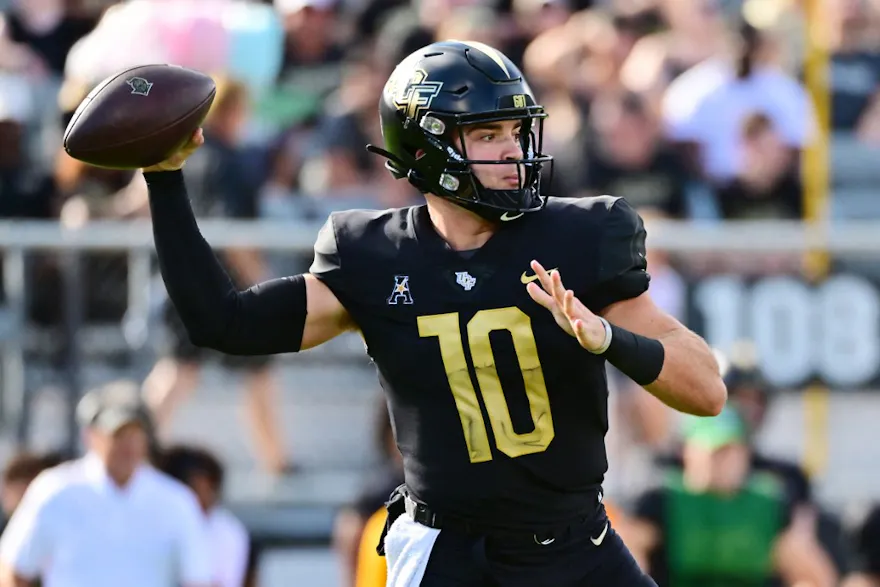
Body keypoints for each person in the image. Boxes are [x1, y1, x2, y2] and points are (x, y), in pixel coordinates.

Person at [141, 40, 726, 587]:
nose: (513, 150)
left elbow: (705, 391)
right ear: (426, 148)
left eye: (517, 130)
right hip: (447, 556)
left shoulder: (584, 235)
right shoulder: (371, 253)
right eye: (488, 132)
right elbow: (223, 323)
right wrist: (164, 179)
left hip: (576, 548)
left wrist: (610, 339)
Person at [0, 380, 213, 587]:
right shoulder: (54, 490)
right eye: (118, 434)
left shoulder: (176, 501)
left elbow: (198, 579)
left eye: (136, 434)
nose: (128, 445)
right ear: (91, 436)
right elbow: (13, 570)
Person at [158, 445, 251, 587]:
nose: (205, 497)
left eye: (210, 489)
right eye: (194, 489)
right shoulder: (154, 523)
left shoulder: (227, 531)